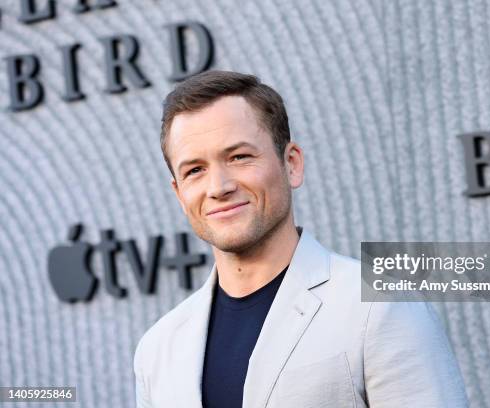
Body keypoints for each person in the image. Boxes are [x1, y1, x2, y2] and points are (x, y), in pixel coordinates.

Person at [133, 70, 468, 407]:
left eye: (239, 157)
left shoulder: (380, 307)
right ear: (179, 194)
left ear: (291, 164)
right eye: (194, 170)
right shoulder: (157, 349)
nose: (219, 187)